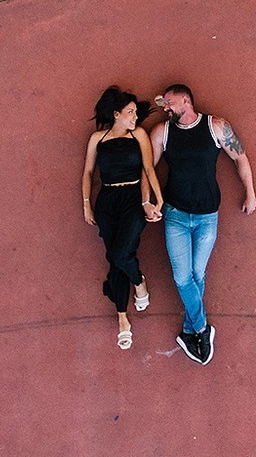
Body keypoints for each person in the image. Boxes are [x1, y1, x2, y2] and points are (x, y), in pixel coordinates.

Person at [149, 83, 256, 365]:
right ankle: (201, 328)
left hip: (209, 215)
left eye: (170, 103)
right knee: (183, 277)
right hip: (175, 216)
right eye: (165, 106)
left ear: (186, 100)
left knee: (197, 274)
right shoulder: (162, 132)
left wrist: (251, 193)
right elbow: (148, 169)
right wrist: (148, 201)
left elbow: (240, 157)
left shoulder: (216, 126)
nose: (167, 109)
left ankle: (188, 331)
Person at [81, 86, 163, 349]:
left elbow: (148, 168)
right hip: (106, 201)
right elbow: (88, 173)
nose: (134, 117)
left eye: (136, 113)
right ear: (116, 114)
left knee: (120, 254)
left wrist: (154, 199)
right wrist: (86, 205)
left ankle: (139, 282)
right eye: (130, 112)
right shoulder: (97, 138)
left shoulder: (138, 134)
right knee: (114, 258)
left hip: (131, 200)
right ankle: (122, 318)